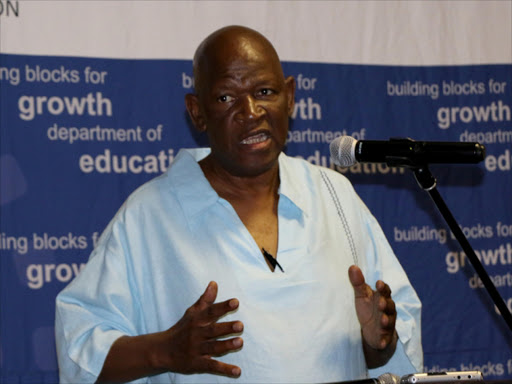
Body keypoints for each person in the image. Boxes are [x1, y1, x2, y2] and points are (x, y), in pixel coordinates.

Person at [55, 25, 422, 383]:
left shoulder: (334, 195)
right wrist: (164, 351)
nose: (250, 111)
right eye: (226, 97)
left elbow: (391, 340)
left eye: (264, 91)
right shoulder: (150, 215)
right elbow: (81, 347)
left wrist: (378, 343)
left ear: (290, 96)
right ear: (197, 112)